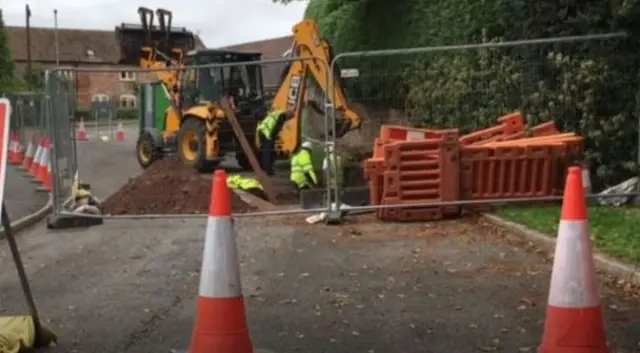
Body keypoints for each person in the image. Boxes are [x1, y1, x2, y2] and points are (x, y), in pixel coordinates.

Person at [256, 110, 291, 175]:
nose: (289, 118)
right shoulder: (281, 117)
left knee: (267, 151)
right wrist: (274, 139)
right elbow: (277, 129)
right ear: (288, 114)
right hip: (267, 133)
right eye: (290, 117)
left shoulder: (277, 113)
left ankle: (265, 168)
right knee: (268, 152)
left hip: (264, 131)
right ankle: (268, 170)